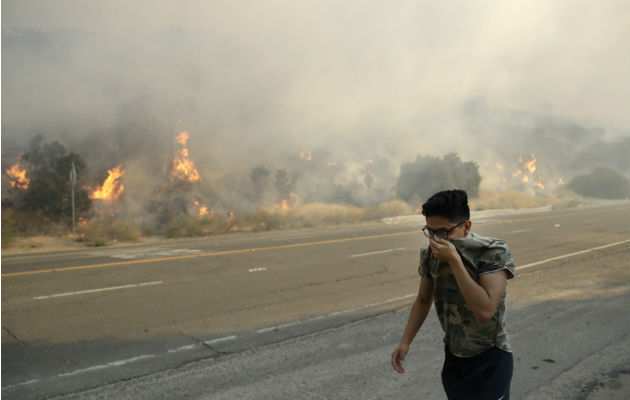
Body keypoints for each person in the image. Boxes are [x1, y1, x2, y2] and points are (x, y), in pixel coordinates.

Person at [391, 189, 515, 399]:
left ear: (466, 227)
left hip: (489, 359)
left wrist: (455, 261)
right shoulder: (430, 253)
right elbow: (423, 299)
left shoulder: (492, 251)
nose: (437, 239)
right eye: (430, 231)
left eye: (444, 231)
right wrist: (405, 342)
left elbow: (485, 310)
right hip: (455, 357)